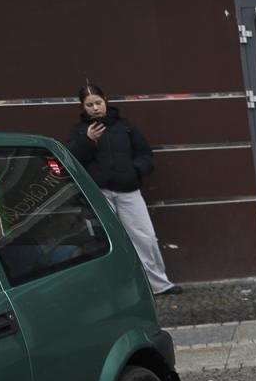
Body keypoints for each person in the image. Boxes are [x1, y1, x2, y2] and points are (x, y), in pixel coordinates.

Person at [65, 85, 179, 295]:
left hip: (128, 190)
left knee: (145, 237)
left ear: (105, 101)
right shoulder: (79, 131)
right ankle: (119, 289)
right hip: (99, 193)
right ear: (82, 107)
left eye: (98, 103)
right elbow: (71, 160)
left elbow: (145, 154)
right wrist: (87, 141)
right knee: (108, 241)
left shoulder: (125, 126)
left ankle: (158, 284)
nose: (95, 108)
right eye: (89, 105)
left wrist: (135, 171)